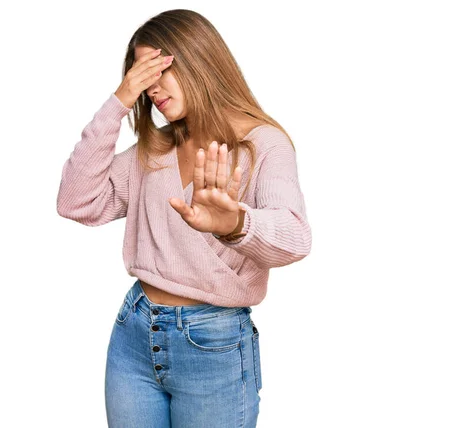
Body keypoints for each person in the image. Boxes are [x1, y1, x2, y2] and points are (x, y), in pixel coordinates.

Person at [56, 9, 312, 427]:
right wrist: (117, 104)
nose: (150, 89)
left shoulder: (263, 145)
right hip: (135, 333)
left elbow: (295, 238)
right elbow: (75, 201)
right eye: (140, 78)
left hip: (213, 343)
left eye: (158, 70)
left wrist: (235, 224)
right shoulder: (152, 150)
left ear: (198, 59)